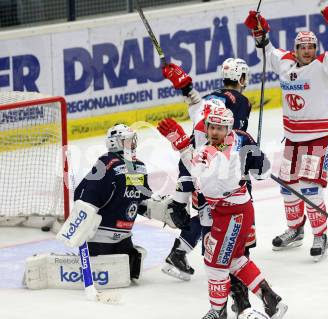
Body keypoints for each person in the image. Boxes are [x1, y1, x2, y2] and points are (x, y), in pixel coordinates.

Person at [244, 5, 328, 261]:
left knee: (309, 187)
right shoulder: (285, 63)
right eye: (302, 47)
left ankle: (320, 235)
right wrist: (258, 31)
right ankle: (295, 230)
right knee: (287, 188)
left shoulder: (326, 64)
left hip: (321, 136)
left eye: (311, 47)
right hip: (293, 139)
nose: (307, 51)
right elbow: (267, 52)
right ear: (295, 49)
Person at [157, 106, 288, 319]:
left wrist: (182, 145)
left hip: (231, 215)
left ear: (229, 129)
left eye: (220, 128)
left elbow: (197, 169)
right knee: (235, 260)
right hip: (233, 210)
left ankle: (218, 313)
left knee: (215, 264)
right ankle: (272, 300)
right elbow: (261, 172)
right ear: (206, 127)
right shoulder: (230, 141)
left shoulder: (212, 150)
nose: (215, 131)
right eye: (212, 127)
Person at [160, 59, 255, 315]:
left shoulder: (208, 101)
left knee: (212, 233)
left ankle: (220, 299)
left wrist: (186, 86)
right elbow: (235, 143)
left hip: (200, 177)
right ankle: (238, 300)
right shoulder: (239, 103)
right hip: (224, 181)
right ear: (242, 78)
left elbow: (195, 110)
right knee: (231, 243)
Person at [52, 124, 189, 285]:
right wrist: (83, 217)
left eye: (133, 140)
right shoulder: (107, 163)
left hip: (124, 238)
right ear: (114, 142)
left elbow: (139, 198)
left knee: (130, 273)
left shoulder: (139, 166)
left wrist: (160, 210)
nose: (132, 144)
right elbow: (88, 194)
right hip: (100, 238)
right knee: (112, 278)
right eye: (127, 140)